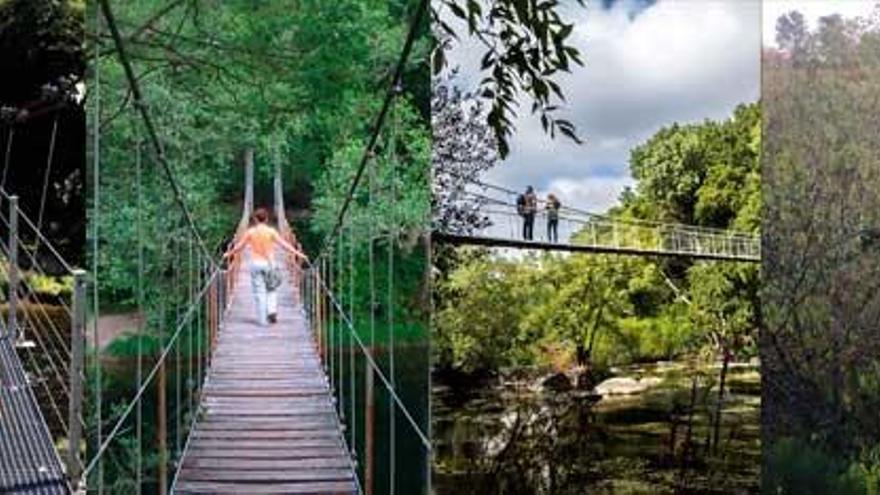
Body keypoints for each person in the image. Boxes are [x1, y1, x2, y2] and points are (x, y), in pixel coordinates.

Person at [224, 208, 308, 325]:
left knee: (259, 293)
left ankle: (263, 320)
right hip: (270, 264)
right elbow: (284, 245)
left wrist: (228, 253)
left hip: (256, 263)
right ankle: (272, 310)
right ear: (267, 219)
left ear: (255, 219)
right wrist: (298, 253)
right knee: (271, 289)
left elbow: (239, 247)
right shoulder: (271, 231)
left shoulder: (250, 232)